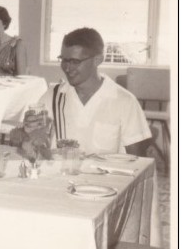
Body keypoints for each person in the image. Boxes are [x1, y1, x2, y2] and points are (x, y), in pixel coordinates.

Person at [10, 27, 151, 156]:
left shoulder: (124, 101)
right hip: (61, 179)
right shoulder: (53, 96)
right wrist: (28, 132)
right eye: (63, 60)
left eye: (74, 61)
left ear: (97, 60)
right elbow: (31, 149)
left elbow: (138, 162)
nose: (67, 67)